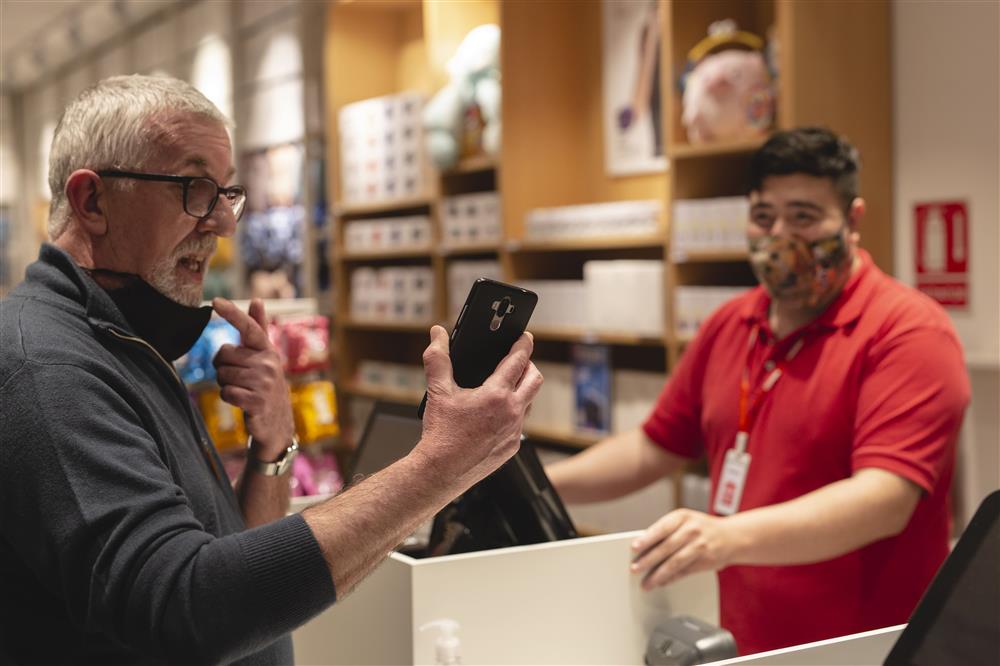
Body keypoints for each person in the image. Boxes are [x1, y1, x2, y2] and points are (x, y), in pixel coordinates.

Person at [0, 75, 543, 665]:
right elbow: (187, 608)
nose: (224, 225)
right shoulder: (46, 368)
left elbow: (228, 548)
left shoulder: (117, 339)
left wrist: (273, 442)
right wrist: (439, 466)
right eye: (194, 190)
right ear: (93, 202)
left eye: (225, 195)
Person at [547, 127, 970, 655]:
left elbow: (884, 498)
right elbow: (656, 446)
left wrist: (726, 537)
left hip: (863, 647)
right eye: (764, 216)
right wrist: (535, 482)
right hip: (737, 639)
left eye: (804, 217)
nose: (779, 236)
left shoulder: (908, 332)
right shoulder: (731, 323)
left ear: (854, 219)